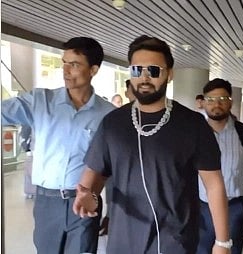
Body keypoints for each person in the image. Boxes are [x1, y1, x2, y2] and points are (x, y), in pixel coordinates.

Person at [73, 35, 231, 254]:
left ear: (169, 74)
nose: (144, 78)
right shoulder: (113, 124)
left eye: (154, 70)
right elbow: (93, 180)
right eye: (137, 70)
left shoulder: (193, 124)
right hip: (123, 243)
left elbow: (214, 185)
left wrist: (222, 242)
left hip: (176, 242)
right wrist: (89, 198)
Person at [1, 37, 114, 254]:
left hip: (84, 202)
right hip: (46, 202)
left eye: (74, 64)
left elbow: (111, 165)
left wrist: (110, 211)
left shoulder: (107, 114)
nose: (65, 70)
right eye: (64, 62)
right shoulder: (41, 101)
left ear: (93, 70)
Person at [197, 78, 243, 254]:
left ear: (230, 102)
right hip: (201, 207)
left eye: (223, 99)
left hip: (234, 208)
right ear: (203, 103)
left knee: (232, 250)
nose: (217, 104)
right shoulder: (195, 133)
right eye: (211, 99)